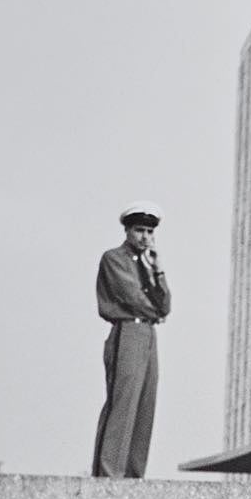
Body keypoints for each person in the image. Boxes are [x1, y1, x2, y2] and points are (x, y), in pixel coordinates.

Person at [92, 200, 170, 478]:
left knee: (145, 404)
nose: (145, 237)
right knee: (123, 402)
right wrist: (156, 310)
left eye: (150, 232)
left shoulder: (149, 265)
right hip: (127, 329)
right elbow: (132, 297)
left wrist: (158, 272)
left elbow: (166, 305)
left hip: (148, 333)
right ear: (127, 231)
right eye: (139, 230)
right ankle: (108, 473)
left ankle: (133, 474)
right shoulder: (114, 258)